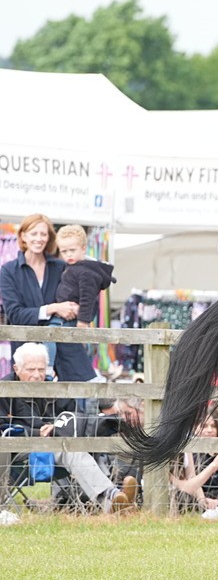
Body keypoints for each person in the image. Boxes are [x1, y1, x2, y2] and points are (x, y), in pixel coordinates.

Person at [0, 343, 136, 513]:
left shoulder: (54, 388)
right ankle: (113, 496)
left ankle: (115, 501)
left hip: (56, 442)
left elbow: (72, 415)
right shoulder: (4, 389)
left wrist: (56, 426)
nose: (37, 375)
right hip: (19, 449)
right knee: (70, 450)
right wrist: (36, 433)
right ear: (16, 368)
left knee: (81, 444)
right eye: (31, 369)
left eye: (41, 369)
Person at [0, 214, 95, 382]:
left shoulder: (61, 266)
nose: (39, 238)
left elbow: (87, 299)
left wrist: (78, 310)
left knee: (76, 396)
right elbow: (15, 314)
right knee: (29, 398)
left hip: (65, 352)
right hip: (28, 355)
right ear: (23, 236)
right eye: (34, 233)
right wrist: (54, 308)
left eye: (43, 234)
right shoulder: (8, 271)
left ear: (49, 237)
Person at [44, 224, 116, 368]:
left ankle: (48, 367)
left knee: (50, 336)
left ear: (83, 248)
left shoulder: (86, 271)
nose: (68, 255)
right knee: (54, 340)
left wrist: (83, 322)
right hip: (65, 314)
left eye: (72, 250)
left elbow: (88, 297)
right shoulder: (72, 267)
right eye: (64, 251)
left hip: (74, 318)